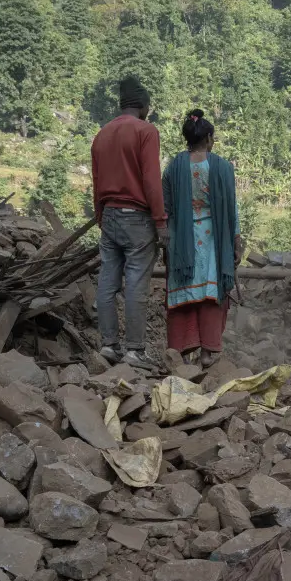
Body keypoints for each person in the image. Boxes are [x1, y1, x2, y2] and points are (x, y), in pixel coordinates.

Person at [90, 77, 166, 366]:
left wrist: (100, 215)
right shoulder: (146, 131)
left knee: (108, 280)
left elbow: (96, 180)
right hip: (137, 218)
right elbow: (151, 180)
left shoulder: (102, 134)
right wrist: (160, 221)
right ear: (144, 106)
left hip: (109, 214)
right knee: (136, 283)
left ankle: (109, 345)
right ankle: (135, 350)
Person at [162, 109, 241, 368]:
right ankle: (206, 354)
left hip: (181, 240)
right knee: (211, 294)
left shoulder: (174, 166)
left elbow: (166, 206)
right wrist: (236, 242)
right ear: (208, 138)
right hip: (214, 240)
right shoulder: (221, 166)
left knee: (183, 294)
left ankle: (182, 353)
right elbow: (231, 210)